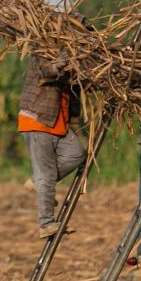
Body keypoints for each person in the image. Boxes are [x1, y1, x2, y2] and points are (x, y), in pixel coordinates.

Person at [19, 51, 87, 237]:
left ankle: (36, 182)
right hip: (38, 121)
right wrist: (59, 63)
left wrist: (74, 118)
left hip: (58, 124)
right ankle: (46, 223)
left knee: (77, 154)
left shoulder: (72, 62)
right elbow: (46, 70)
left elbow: (74, 91)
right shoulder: (42, 53)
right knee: (46, 174)